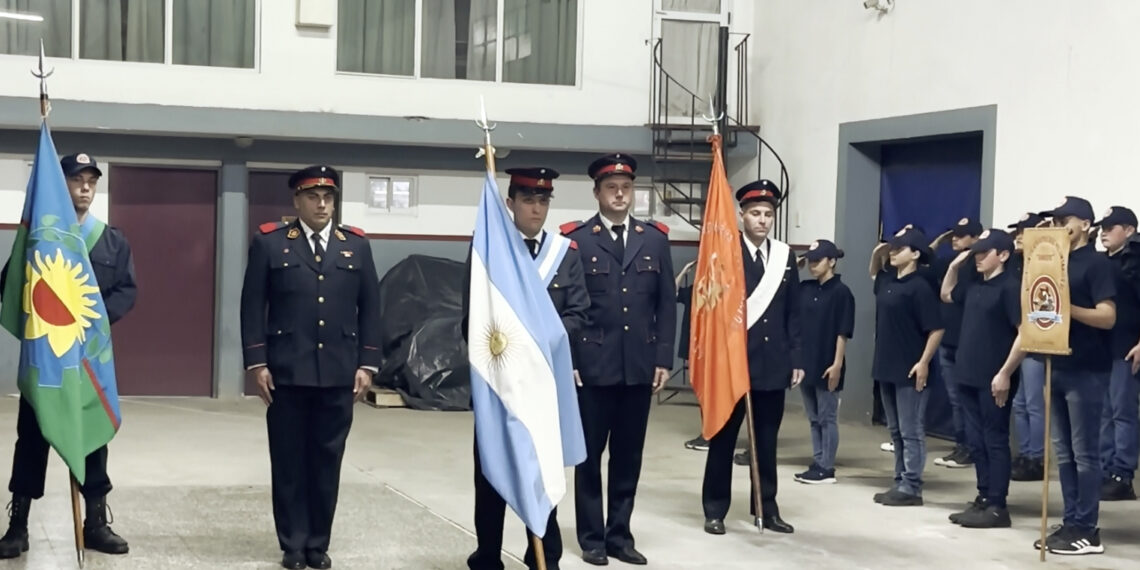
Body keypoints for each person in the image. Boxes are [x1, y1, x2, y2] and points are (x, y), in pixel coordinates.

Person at [239, 165, 380, 570]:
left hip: (338, 374)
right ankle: (293, 544)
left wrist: (367, 364)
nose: (322, 204)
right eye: (313, 197)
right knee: (288, 463)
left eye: (328, 197)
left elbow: (371, 308)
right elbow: (252, 305)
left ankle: (318, 544)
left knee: (326, 462)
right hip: (287, 373)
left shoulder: (356, 246)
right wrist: (257, 362)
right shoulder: (271, 243)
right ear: (297, 201)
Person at [0, 152, 137, 559]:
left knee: (93, 437)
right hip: (47, 360)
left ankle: (95, 523)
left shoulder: (111, 240)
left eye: (91, 181)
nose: (85, 188)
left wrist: (93, 321)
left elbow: (127, 290)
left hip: (89, 363)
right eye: (77, 180)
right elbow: (9, 284)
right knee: (32, 439)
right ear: (60, 186)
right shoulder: (40, 237)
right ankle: (18, 525)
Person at [465, 167, 590, 570]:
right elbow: (471, 319)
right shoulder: (489, 253)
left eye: (543, 201)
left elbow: (578, 314)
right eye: (528, 200)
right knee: (492, 472)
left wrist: (538, 342)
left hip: (543, 386)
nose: (536, 209)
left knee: (543, 470)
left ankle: (545, 557)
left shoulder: (564, 253)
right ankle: (487, 555)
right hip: (500, 384)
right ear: (510, 203)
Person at [560, 153, 675, 566]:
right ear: (597, 193)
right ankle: (592, 538)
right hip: (593, 366)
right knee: (590, 457)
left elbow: (666, 305)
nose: (620, 194)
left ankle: (619, 536)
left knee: (628, 458)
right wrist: (571, 360)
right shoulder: (577, 241)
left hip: (639, 367)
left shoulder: (654, 239)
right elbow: (568, 306)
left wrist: (663, 357)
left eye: (626, 188)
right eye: (612, 188)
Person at [993, 196, 1115, 555]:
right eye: (1056, 221)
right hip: (1055, 363)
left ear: (1085, 224)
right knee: (1063, 453)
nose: (1060, 226)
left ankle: (1087, 529)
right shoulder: (1053, 262)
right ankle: (1072, 519)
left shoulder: (1096, 264)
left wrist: (1067, 308)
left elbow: (1107, 316)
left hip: (1086, 368)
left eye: (1066, 220)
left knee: (1085, 453)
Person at [701, 180, 801, 535]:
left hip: (772, 362)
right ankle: (715, 509)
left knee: (766, 441)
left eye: (768, 214)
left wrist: (796, 358)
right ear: (741, 215)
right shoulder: (725, 253)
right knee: (723, 440)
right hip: (733, 363)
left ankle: (766, 507)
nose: (762, 220)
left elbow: (793, 312)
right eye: (755, 213)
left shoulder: (785, 256)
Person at [943, 229, 1021, 528]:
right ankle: (984, 495)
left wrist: (1005, 372)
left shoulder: (1009, 287)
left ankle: (998, 504)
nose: (977, 257)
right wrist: (954, 266)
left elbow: (1024, 335)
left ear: (1003, 255)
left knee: (994, 439)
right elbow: (946, 294)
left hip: (994, 377)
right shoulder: (975, 285)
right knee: (976, 441)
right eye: (976, 252)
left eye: (984, 253)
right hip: (968, 374)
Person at [871, 226, 945, 507]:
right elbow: (874, 269)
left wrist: (924, 362)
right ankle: (900, 479)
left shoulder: (920, 287)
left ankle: (912, 485)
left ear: (915, 254)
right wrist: (880, 251)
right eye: (892, 248)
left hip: (910, 365)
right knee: (896, 430)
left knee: (911, 429)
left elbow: (936, 328)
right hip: (886, 364)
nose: (893, 253)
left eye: (900, 249)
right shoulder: (889, 282)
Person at [793, 239, 854, 485]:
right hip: (806, 361)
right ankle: (818, 460)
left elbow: (843, 331)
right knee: (813, 417)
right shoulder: (806, 288)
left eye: (818, 261)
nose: (812, 266)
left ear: (832, 262)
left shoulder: (841, 292)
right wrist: (794, 268)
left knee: (827, 417)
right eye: (810, 261)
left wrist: (837, 363)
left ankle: (827, 466)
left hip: (827, 362)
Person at [1094, 206, 1140, 501]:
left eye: (1111, 228)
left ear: (1130, 230)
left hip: (1127, 347)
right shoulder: (1102, 262)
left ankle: (1122, 474)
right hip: (1103, 347)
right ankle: (1106, 469)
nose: (1103, 233)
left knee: (1123, 412)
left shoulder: (1135, 260)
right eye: (1102, 228)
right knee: (1105, 412)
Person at [931, 218, 982, 470]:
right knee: (955, 399)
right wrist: (939, 241)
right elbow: (927, 261)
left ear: (975, 239)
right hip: (948, 340)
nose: (955, 239)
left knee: (967, 400)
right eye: (954, 234)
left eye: (961, 235)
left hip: (967, 342)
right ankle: (962, 444)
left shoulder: (977, 267)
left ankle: (972, 447)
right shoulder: (950, 264)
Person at [1006, 212, 1048, 481]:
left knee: (1033, 402)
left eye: (1025, 231)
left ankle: (1037, 457)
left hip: (1035, 340)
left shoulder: (1043, 263)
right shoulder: (1015, 263)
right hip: (1014, 340)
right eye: (1018, 232)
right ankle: (1024, 452)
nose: (1019, 237)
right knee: (1019, 403)